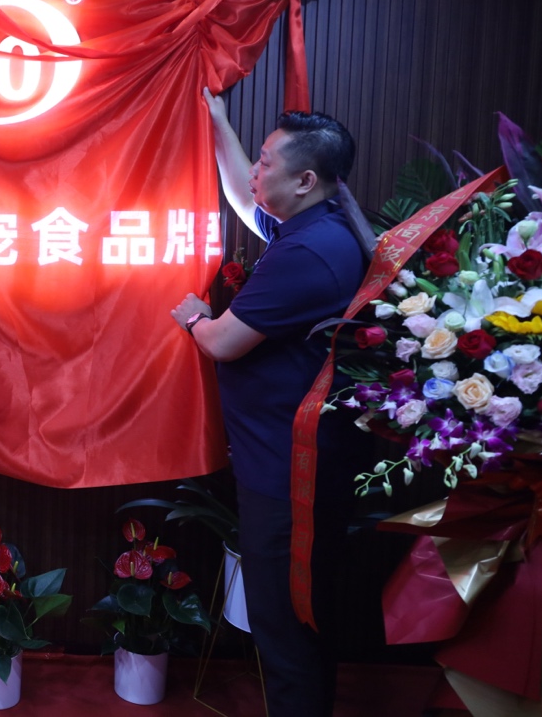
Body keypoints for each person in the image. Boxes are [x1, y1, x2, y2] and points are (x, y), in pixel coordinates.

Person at [170, 88, 371, 716]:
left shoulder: (308, 252)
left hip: (291, 475)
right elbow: (242, 196)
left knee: (285, 626)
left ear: (305, 180)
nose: (255, 171)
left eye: (265, 162)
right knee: (297, 619)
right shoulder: (319, 225)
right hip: (286, 464)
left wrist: (195, 317)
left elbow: (224, 343)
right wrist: (218, 120)